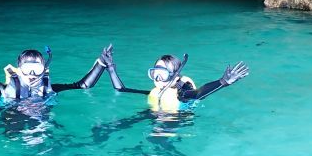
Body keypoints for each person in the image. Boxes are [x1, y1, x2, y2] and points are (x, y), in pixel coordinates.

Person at [0, 29, 112, 101]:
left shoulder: (50, 89)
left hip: (42, 132)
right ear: (18, 69)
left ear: (44, 70)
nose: (31, 73)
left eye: (36, 68)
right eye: (27, 68)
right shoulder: (4, 90)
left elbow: (82, 85)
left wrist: (102, 63)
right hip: (14, 133)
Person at [101, 44, 249, 112]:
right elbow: (121, 89)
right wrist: (110, 67)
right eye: (155, 72)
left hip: (175, 122)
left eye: (163, 73)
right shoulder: (157, 91)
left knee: (157, 139)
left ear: (175, 76)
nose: (158, 78)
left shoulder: (181, 92)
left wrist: (222, 82)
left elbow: (198, 94)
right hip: (155, 116)